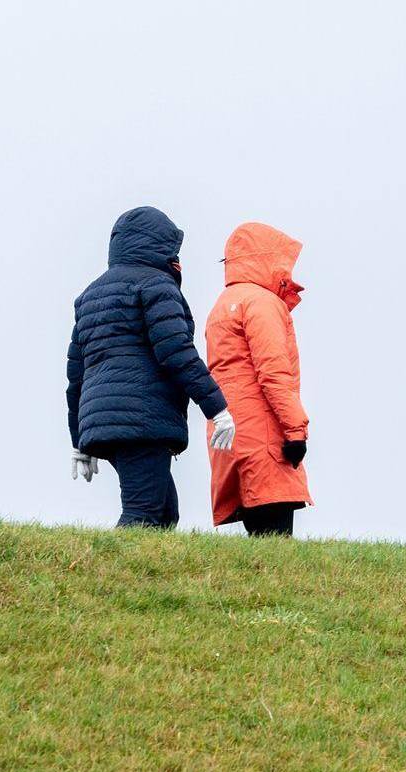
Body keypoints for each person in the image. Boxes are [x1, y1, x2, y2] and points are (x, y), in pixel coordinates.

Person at [66, 206, 235, 528]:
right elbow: (177, 352)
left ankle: (149, 575)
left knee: (164, 514)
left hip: (103, 419)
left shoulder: (90, 295)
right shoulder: (157, 286)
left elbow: (77, 375)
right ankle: (105, 574)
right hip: (140, 418)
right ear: (160, 247)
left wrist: (79, 438)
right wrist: (217, 409)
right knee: (143, 512)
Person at [204, 222, 311, 537]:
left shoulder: (222, 305)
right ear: (269, 259)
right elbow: (274, 372)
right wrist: (296, 431)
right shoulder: (262, 303)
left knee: (259, 537)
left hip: (233, 435)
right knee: (277, 546)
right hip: (264, 436)